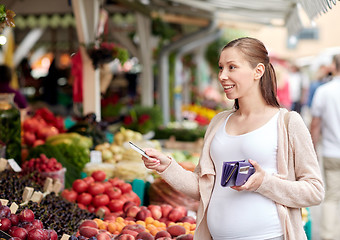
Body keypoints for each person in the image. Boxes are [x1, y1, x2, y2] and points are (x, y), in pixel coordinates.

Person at [141, 37, 324, 240]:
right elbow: (203, 188)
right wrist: (166, 166)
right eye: (221, 68)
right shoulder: (219, 122)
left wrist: (264, 182)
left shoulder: (288, 122)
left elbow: (314, 191)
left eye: (232, 67)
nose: (222, 76)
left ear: (258, 71)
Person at [310, 54, 340, 240]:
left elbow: (315, 124)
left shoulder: (324, 91)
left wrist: (312, 150)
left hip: (331, 152)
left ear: (334, 66)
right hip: (332, 151)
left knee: (332, 196)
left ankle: (329, 236)